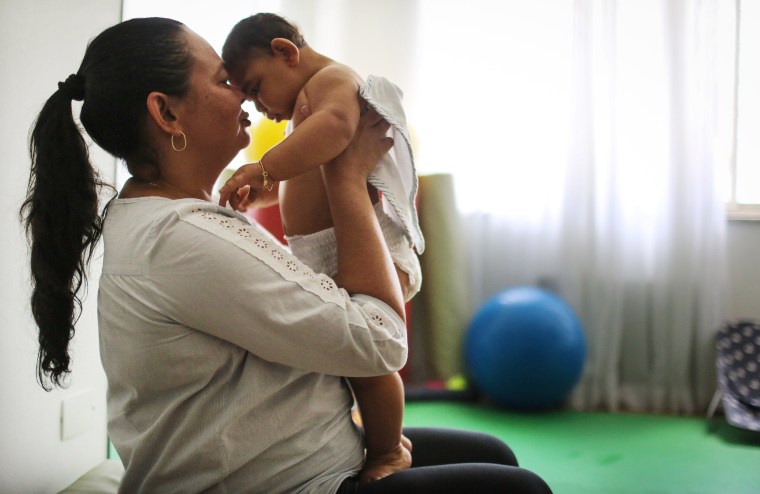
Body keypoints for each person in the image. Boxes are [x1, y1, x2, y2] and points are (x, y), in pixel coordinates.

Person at [20, 17, 552, 494]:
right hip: (288, 480)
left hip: (314, 449)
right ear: (166, 113)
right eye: (226, 82)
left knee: (492, 454)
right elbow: (381, 341)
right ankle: (385, 451)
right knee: (517, 486)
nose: (246, 101)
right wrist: (344, 177)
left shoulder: (167, 218)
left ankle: (384, 449)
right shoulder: (182, 240)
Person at [218, 13, 422, 483]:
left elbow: (337, 130)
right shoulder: (299, 118)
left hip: (362, 245)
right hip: (327, 251)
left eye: (255, 87)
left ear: (285, 52)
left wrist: (262, 169)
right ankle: (380, 432)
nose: (257, 105)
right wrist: (264, 190)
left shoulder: (334, 81)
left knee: (370, 365)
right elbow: (302, 178)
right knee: (346, 360)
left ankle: (389, 450)